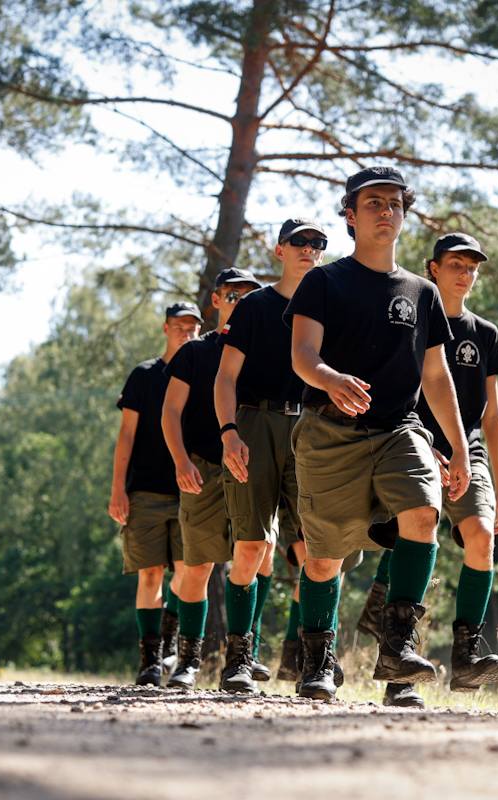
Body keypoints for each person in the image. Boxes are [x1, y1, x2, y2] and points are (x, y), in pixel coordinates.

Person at [284, 166, 471, 701]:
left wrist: (458, 447)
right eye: (373, 203)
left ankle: (398, 653)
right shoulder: (325, 281)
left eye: (394, 203)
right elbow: (302, 355)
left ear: (403, 214)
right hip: (328, 432)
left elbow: (436, 377)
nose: (385, 211)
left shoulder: (421, 291)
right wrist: (330, 379)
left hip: (399, 429)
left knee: (422, 512)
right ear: (350, 215)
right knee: (323, 557)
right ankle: (318, 661)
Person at [360, 233, 498, 707]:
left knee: (482, 538)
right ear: (432, 268)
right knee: (415, 539)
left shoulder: (484, 333)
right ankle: (399, 677)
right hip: (410, 442)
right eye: (456, 265)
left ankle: (467, 655)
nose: (465, 274)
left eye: (472, 267)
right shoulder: (411, 320)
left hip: (468, 448)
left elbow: (491, 416)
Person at [214, 219, 326, 689]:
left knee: (317, 548)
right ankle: (240, 657)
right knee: (252, 546)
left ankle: (314, 661)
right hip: (255, 425)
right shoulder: (255, 307)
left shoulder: (329, 306)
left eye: (317, 243)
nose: (308, 249)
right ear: (280, 250)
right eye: (299, 242)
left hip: (311, 426)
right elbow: (225, 378)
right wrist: (229, 432)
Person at [160, 268, 261, 690]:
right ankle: (188, 660)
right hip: (201, 467)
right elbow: (170, 412)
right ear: (216, 300)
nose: (239, 300)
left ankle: (241, 658)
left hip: (251, 467)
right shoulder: (194, 353)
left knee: (252, 554)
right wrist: (182, 461)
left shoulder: (265, 349)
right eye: (231, 294)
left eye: (247, 294)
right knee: (197, 565)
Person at [111, 302, 203, 685]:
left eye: (193, 327)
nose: (187, 333)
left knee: (186, 576)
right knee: (149, 575)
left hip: (192, 490)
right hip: (145, 490)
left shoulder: (205, 371)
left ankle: (172, 643)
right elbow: (126, 435)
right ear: (165, 328)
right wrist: (118, 489)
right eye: (180, 326)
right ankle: (149, 661)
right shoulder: (144, 376)